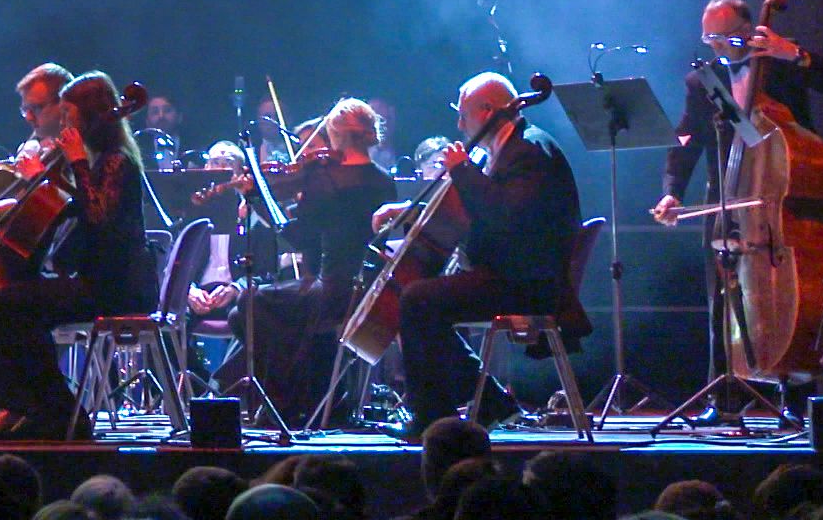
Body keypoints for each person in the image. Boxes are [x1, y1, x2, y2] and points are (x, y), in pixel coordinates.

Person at [0, 71, 155, 437]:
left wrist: (76, 162)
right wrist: (42, 178)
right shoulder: (98, 160)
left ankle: (56, 410)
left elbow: (98, 215)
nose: (65, 125)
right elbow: (70, 206)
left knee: (13, 304)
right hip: (93, 280)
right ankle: (26, 407)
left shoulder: (116, 160)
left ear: (91, 116)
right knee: (12, 302)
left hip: (116, 286)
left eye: (70, 116)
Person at [381, 73, 583, 426]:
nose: (460, 125)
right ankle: (486, 400)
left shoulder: (529, 150)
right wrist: (411, 211)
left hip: (527, 283)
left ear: (488, 111)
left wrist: (462, 170)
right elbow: (475, 208)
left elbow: (504, 213)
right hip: (509, 275)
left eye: (464, 115)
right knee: (419, 299)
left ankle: (434, 415)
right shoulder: (508, 148)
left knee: (418, 300)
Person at [208, 98, 397, 418]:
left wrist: (256, 199)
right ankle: (294, 396)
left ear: (335, 135)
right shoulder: (384, 180)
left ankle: (284, 399)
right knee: (248, 309)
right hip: (368, 290)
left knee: (247, 307)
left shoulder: (327, 180)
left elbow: (297, 237)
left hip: (333, 292)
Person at [653, 0, 823, 225]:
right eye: (709, 38)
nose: (715, 46)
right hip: (729, 205)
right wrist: (673, 192)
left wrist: (794, 54)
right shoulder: (703, 82)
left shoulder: (780, 58)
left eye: (722, 37)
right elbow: (687, 141)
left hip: (791, 197)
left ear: (745, 30)